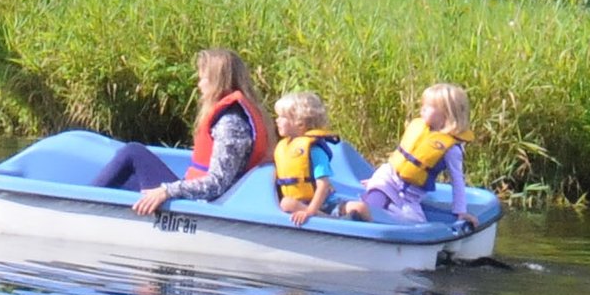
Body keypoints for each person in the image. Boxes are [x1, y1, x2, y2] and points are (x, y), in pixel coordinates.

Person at [89, 47, 274, 215]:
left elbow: (217, 183)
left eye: (203, 78)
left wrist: (167, 191)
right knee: (127, 175)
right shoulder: (236, 116)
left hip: (204, 204)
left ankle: (82, 205)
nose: (199, 85)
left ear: (218, 81)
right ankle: (91, 204)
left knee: (133, 153)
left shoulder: (231, 123)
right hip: (201, 197)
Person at [340, 82, 475, 232]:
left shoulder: (451, 149)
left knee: (415, 225)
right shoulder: (421, 129)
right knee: (370, 207)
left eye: (428, 107)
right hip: (386, 179)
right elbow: (399, 162)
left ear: (446, 113)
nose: (422, 109)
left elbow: (457, 181)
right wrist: (374, 181)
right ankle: (343, 220)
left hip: (408, 196)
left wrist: (460, 212)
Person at [270, 91, 344, 223]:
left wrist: (310, 211)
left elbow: (323, 184)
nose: (277, 120)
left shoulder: (314, 150)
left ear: (300, 123)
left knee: (286, 204)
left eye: (282, 117)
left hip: (321, 204)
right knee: (286, 202)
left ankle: (329, 219)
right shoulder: (284, 147)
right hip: (301, 201)